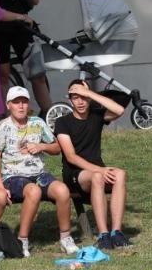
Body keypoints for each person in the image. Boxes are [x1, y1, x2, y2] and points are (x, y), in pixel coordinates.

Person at [0, 85, 77, 257]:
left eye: (24, 102)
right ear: (8, 105)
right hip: (14, 176)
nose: (21, 106)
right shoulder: (2, 127)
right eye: (16, 102)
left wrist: (41, 146)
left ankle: (66, 238)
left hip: (39, 174)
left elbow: (57, 147)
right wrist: (0, 188)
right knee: (33, 191)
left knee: (62, 190)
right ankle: (22, 240)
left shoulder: (38, 122)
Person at [55, 80, 130, 249]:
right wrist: (101, 170)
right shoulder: (63, 122)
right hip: (75, 174)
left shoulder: (97, 115)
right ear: (70, 100)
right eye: (76, 98)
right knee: (98, 177)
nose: (80, 102)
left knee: (121, 174)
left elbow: (120, 110)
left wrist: (90, 93)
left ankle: (116, 233)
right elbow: (71, 157)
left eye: (84, 97)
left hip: (97, 170)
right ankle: (103, 235)